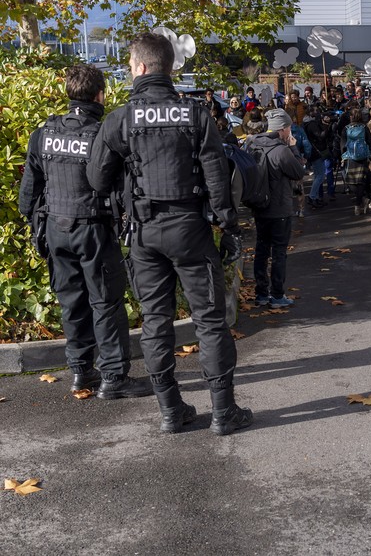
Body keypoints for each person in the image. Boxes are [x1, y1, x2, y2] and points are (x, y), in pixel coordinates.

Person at [87, 32, 252, 436]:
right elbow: (217, 175)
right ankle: (223, 412)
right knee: (210, 322)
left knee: (156, 322)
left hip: (144, 234)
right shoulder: (194, 114)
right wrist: (228, 226)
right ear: (169, 67)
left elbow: (96, 178)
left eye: (129, 66)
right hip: (191, 230)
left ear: (140, 68)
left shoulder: (120, 119)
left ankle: (170, 411)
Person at [18, 64, 152, 400]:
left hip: (55, 228)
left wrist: (36, 225)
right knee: (105, 303)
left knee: (71, 302)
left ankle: (81, 371)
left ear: (68, 93)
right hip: (92, 228)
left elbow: (28, 194)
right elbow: (121, 188)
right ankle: (114, 376)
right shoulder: (103, 135)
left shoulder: (43, 134)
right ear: (100, 94)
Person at [244, 109, 305, 307]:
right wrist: (294, 148)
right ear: (283, 129)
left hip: (259, 206)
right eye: (289, 129)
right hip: (279, 208)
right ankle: (277, 295)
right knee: (279, 252)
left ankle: (261, 294)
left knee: (261, 250)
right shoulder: (282, 150)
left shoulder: (252, 144)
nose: (290, 133)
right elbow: (298, 172)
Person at [340, 107, 371, 215]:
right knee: (361, 182)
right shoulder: (364, 127)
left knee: (351, 182)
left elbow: (342, 144)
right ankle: (361, 202)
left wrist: (343, 156)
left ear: (351, 117)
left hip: (350, 158)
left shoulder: (346, 128)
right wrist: (370, 155)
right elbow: (370, 142)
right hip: (363, 157)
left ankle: (359, 203)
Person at [305, 112, 334, 208]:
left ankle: (315, 198)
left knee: (317, 175)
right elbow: (321, 136)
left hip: (316, 152)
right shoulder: (312, 125)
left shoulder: (312, 124)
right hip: (316, 153)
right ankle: (312, 197)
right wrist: (326, 126)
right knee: (320, 176)